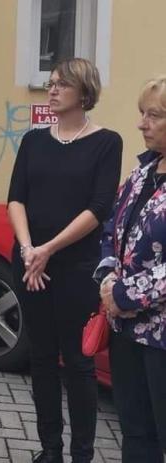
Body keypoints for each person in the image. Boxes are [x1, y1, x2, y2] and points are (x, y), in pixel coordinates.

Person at [7, 58, 122, 463]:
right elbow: (16, 198)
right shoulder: (34, 141)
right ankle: (50, 450)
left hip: (74, 268)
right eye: (50, 83)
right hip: (30, 265)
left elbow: (99, 208)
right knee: (41, 358)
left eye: (61, 84)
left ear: (84, 92)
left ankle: (81, 454)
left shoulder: (107, 142)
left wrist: (47, 249)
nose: (51, 90)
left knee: (77, 362)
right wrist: (27, 250)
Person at [97, 76, 166, 463]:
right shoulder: (142, 173)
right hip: (126, 330)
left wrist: (123, 295)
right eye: (142, 114)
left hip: (161, 336)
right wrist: (107, 276)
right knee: (136, 433)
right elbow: (112, 229)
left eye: (153, 115)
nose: (142, 124)